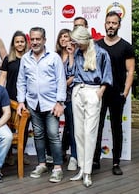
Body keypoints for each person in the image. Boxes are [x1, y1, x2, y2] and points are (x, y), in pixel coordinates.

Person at [16, 27, 66, 183]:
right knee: (38, 135)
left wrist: (59, 102)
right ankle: (42, 164)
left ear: (44, 40)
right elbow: (21, 81)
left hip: (51, 104)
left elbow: (61, 80)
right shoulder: (25, 58)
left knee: (53, 135)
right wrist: (21, 101)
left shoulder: (54, 58)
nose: (35, 42)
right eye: (33, 39)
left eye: (38, 39)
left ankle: (57, 168)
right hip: (32, 104)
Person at [67, 26, 112, 187]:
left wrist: (100, 92)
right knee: (78, 133)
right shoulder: (77, 52)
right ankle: (81, 168)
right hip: (78, 91)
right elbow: (70, 72)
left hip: (93, 91)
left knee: (89, 132)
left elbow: (107, 75)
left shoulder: (101, 53)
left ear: (85, 40)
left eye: (78, 42)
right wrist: (71, 54)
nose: (76, 44)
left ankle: (88, 172)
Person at [93, 11, 135, 175]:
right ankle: (95, 159)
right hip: (99, 93)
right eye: (108, 22)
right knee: (97, 127)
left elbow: (130, 72)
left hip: (117, 94)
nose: (110, 25)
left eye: (114, 23)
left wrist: (124, 93)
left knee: (116, 128)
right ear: (105, 23)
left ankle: (116, 162)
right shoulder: (96, 45)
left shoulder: (126, 46)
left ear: (119, 25)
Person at [0, 30, 30, 165]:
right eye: (17, 42)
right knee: (9, 127)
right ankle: (9, 154)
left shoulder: (30, 58)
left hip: (27, 98)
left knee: (25, 127)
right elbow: (2, 78)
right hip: (11, 97)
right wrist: (0, 95)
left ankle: (21, 154)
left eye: (22, 41)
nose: (20, 44)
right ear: (13, 43)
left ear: (25, 43)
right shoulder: (8, 59)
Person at [55, 28, 78, 171]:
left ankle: (74, 157)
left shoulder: (75, 54)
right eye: (61, 37)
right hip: (55, 98)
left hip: (70, 96)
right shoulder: (54, 55)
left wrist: (63, 84)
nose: (63, 39)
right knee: (53, 129)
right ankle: (56, 154)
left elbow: (74, 75)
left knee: (72, 128)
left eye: (66, 36)